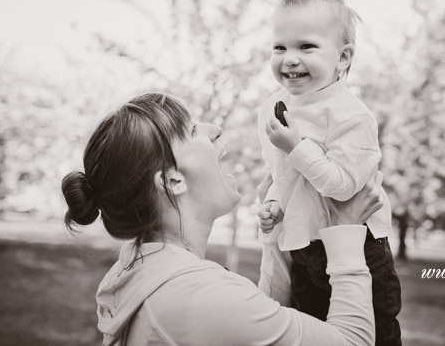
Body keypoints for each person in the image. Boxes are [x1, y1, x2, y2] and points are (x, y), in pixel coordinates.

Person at [61, 92, 382, 346]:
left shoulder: (139, 268)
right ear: (173, 181)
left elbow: (259, 321)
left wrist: (278, 233)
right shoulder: (199, 297)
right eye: (193, 130)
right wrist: (345, 235)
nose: (215, 130)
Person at [256, 0, 402, 346]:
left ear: (343, 57)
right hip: (304, 246)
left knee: (372, 335)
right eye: (279, 47)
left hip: (357, 247)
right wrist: (274, 202)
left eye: (306, 46)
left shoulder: (351, 115)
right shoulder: (277, 107)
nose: (290, 59)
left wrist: (296, 147)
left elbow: (343, 186)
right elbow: (284, 174)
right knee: (314, 334)